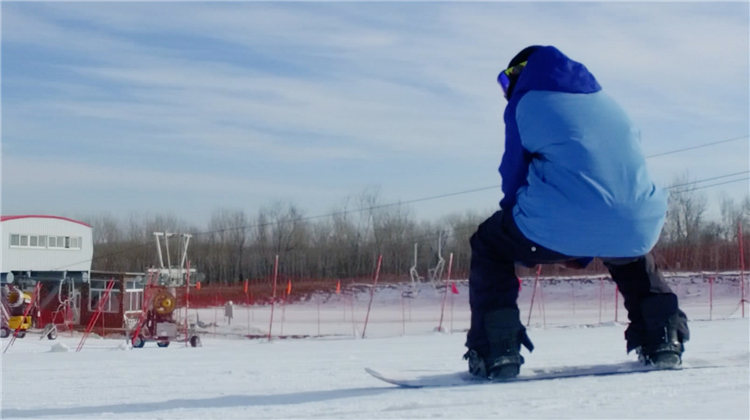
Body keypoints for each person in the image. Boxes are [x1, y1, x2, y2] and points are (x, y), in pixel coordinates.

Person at [464, 45, 689, 380]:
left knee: (489, 243)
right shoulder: (607, 103)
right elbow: (605, 190)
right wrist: (583, 249)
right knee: (627, 248)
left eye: (504, 80)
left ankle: (497, 350)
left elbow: (513, 174)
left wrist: (531, 231)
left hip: (557, 222)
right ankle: (662, 338)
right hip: (639, 222)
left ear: (518, 74)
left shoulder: (524, 102)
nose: (505, 91)